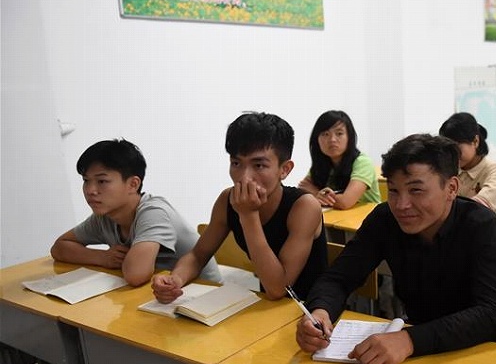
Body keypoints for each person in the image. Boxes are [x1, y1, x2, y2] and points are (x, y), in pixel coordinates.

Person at [296, 133, 496, 364]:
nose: (401, 205)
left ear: (451, 188)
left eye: (416, 190)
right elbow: (339, 277)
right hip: (411, 356)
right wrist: (319, 312)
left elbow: (492, 315)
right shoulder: (385, 219)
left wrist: (409, 340)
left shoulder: (481, 225)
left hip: (473, 355)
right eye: (394, 191)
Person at [152, 112, 327, 302]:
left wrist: (249, 215)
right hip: (265, 308)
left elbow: (278, 289)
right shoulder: (227, 200)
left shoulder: (304, 207)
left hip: (313, 311)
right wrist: (176, 278)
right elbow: (197, 255)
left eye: (259, 165)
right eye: (236, 163)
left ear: (284, 169)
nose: (244, 177)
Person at [51, 139, 220, 287]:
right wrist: (103, 257)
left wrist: (110, 260)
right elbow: (59, 247)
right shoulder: (104, 217)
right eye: (86, 181)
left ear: (133, 184)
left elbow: (136, 274)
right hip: (155, 295)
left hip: (202, 295)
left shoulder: (153, 212)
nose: (90, 190)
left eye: (102, 181)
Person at [298, 110, 380, 209]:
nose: (332, 139)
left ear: (349, 137)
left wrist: (316, 194)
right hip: (335, 219)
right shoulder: (322, 163)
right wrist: (317, 194)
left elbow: (345, 202)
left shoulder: (362, 162)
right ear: (316, 140)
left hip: (367, 220)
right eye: (325, 134)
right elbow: (303, 187)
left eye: (339, 133)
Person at [438, 112, 496, 216]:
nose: (453, 155)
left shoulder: (494, 170)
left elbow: (479, 207)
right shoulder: (448, 169)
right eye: (448, 150)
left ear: (475, 141)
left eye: (457, 148)